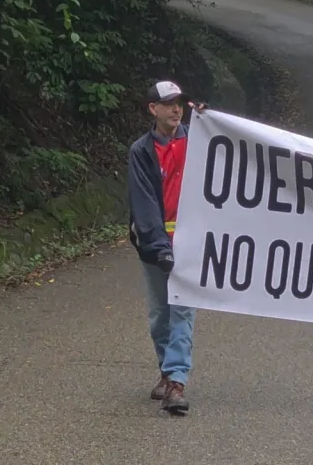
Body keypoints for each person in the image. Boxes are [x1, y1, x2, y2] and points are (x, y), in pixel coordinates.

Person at [127, 80, 209, 415]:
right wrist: (159, 247)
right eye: (169, 103)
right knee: (160, 314)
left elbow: (231, 150)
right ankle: (166, 369)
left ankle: (176, 382)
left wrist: (210, 122)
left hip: (191, 243)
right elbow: (144, 205)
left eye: (181, 103)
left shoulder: (199, 140)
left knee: (182, 311)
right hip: (155, 244)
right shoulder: (141, 151)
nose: (177, 109)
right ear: (153, 109)